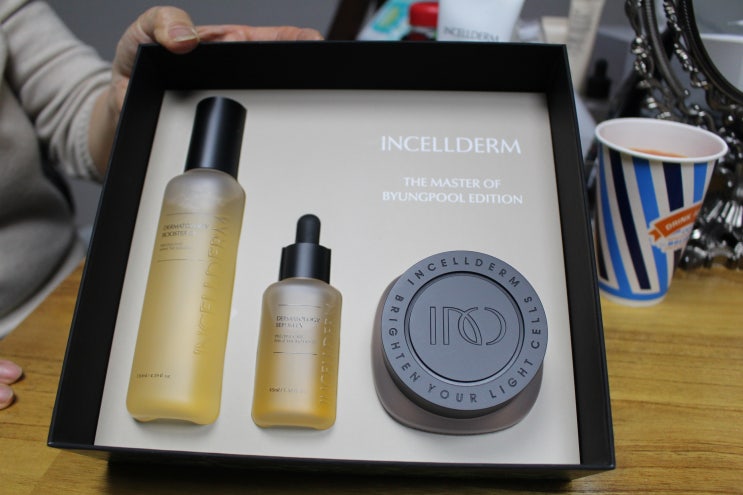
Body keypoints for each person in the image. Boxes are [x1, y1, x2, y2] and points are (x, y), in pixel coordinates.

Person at [0, 1, 322, 410]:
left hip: (65, 290)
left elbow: (70, 107)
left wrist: (130, 96)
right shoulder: (193, 187)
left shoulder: (219, 190)